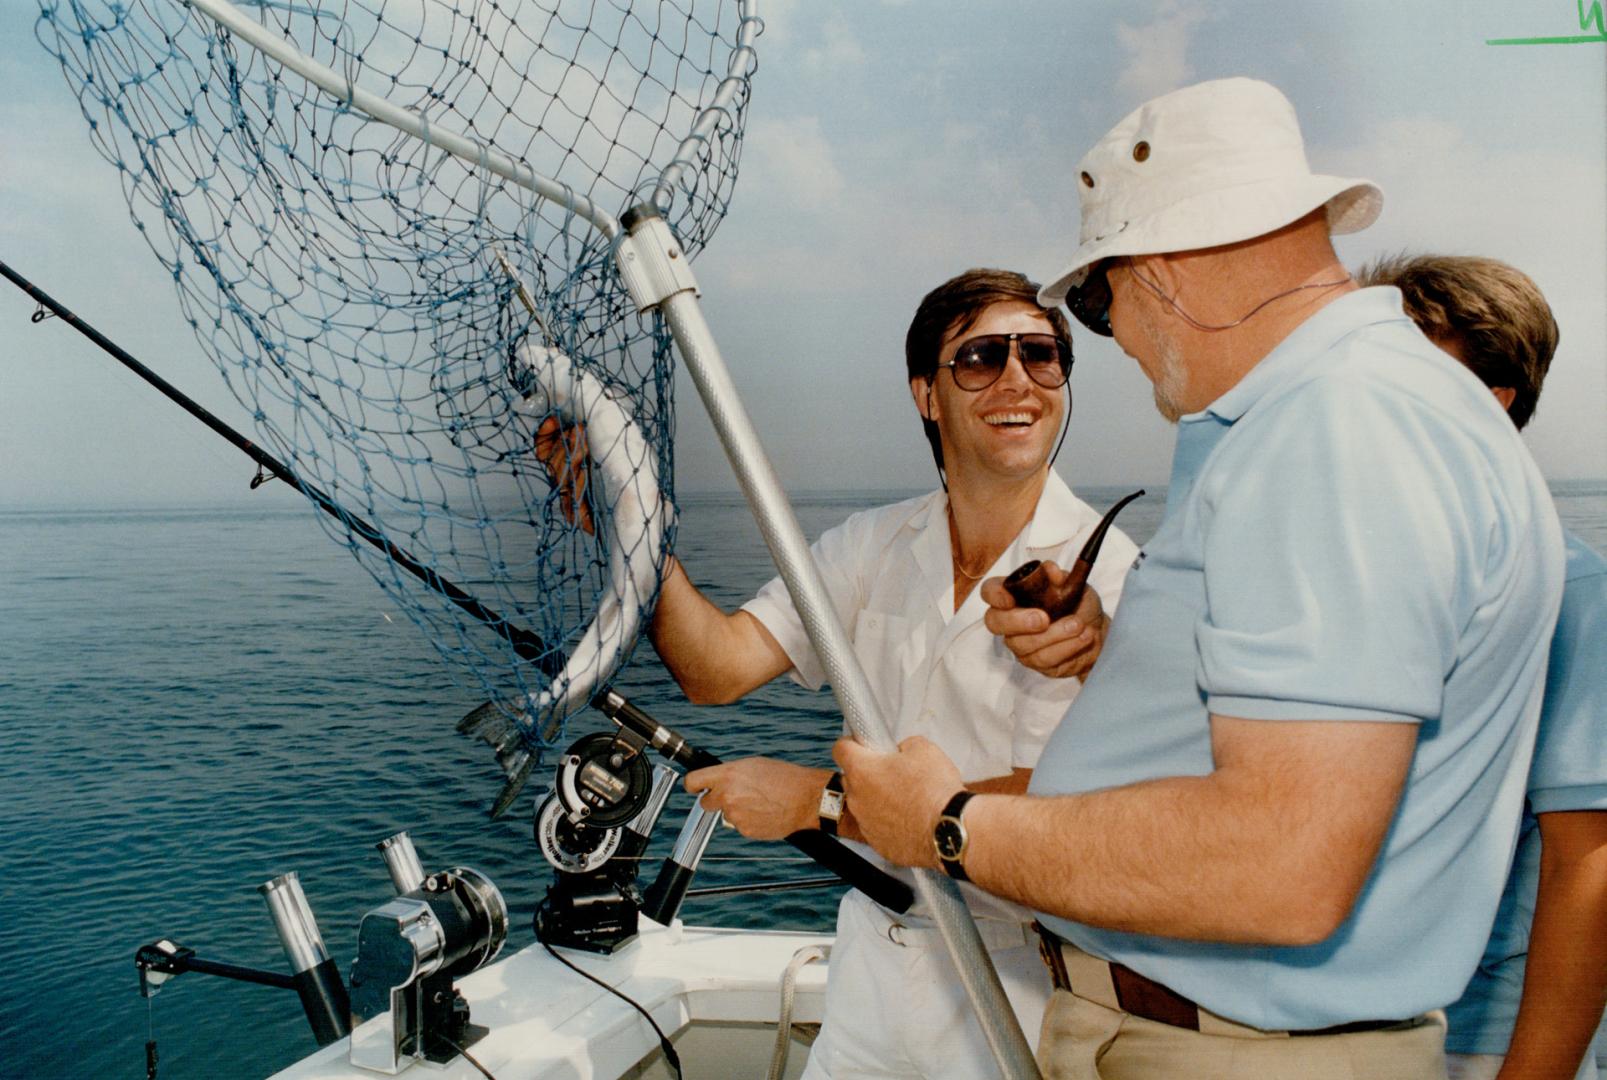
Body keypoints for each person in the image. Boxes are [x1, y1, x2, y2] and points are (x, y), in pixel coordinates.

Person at [835, 77, 1566, 1079]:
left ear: (1165, 269)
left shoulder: (1332, 431)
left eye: (1094, 305)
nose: (1117, 341)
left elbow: (1278, 864)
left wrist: (948, 823)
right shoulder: (1372, 409)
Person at [540, 267, 1138, 1079]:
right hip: (871, 970)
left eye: (1041, 355)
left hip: (1031, 982)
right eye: (980, 358)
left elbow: (1100, 811)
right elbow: (714, 669)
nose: (1016, 380)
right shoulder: (869, 545)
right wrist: (630, 529)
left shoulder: (1121, 584)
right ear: (926, 393)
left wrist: (815, 803)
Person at [1358, 254, 1607, 1080]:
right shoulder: (1360, 584)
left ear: (1488, 402)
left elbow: (1589, 867)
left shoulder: (1572, 591)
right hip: (1343, 1035)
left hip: (1480, 1044)